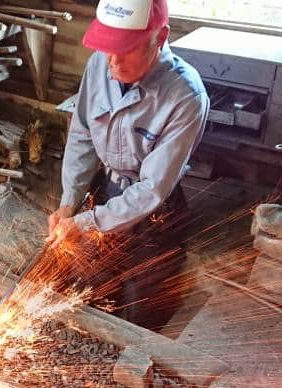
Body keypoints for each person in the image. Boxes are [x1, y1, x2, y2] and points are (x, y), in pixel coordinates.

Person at [48, 0, 209, 332]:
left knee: (144, 307)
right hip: (104, 192)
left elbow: (151, 189)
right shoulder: (99, 64)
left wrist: (85, 223)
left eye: (125, 49)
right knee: (93, 287)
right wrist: (69, 203)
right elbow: (81, 133)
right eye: (107, 47)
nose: (112, 61)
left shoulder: (186, 96)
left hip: (154, 212)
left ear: (160, 37)